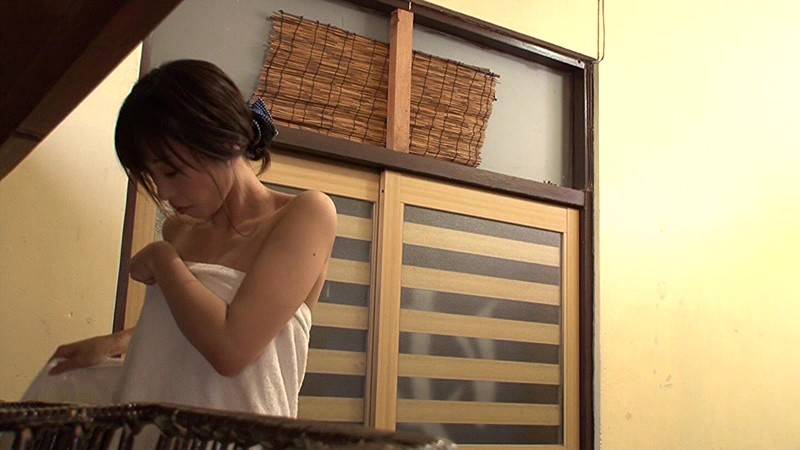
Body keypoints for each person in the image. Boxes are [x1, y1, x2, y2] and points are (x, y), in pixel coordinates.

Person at [42, 59, 337, 418]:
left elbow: (231, 349)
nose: (164, 193)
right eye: (153, 177)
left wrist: (163, 261)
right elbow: (188, 329)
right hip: (161, 433)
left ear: (227, 142)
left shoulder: (305, 215)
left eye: (172, 172)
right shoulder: (178, 231)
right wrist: (118, 343)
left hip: (243, 435)